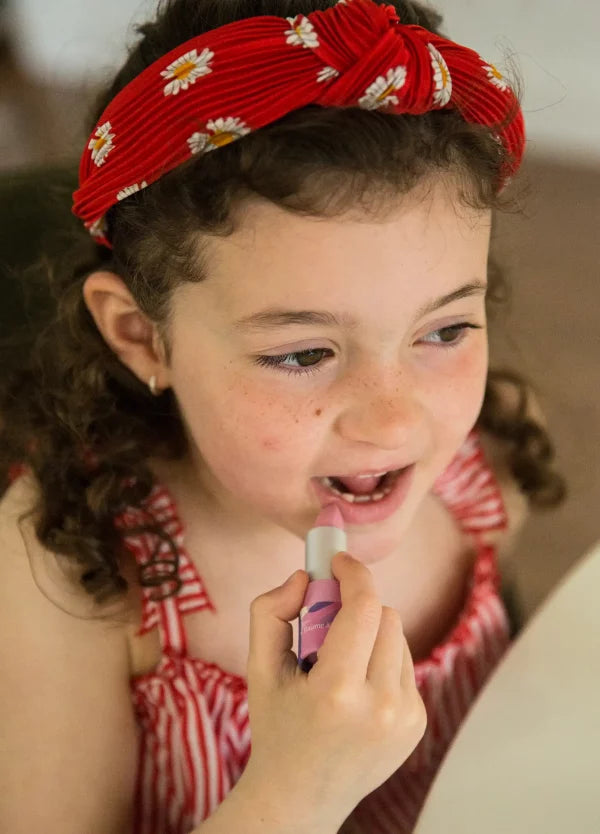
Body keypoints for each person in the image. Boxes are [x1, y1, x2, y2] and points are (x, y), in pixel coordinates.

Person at [0, 1, 566, 832]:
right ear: (141, 336)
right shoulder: (73, 574)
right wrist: (297, 790)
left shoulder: (485, 461)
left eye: (444, 330)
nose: (394, 421)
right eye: (303, 353)